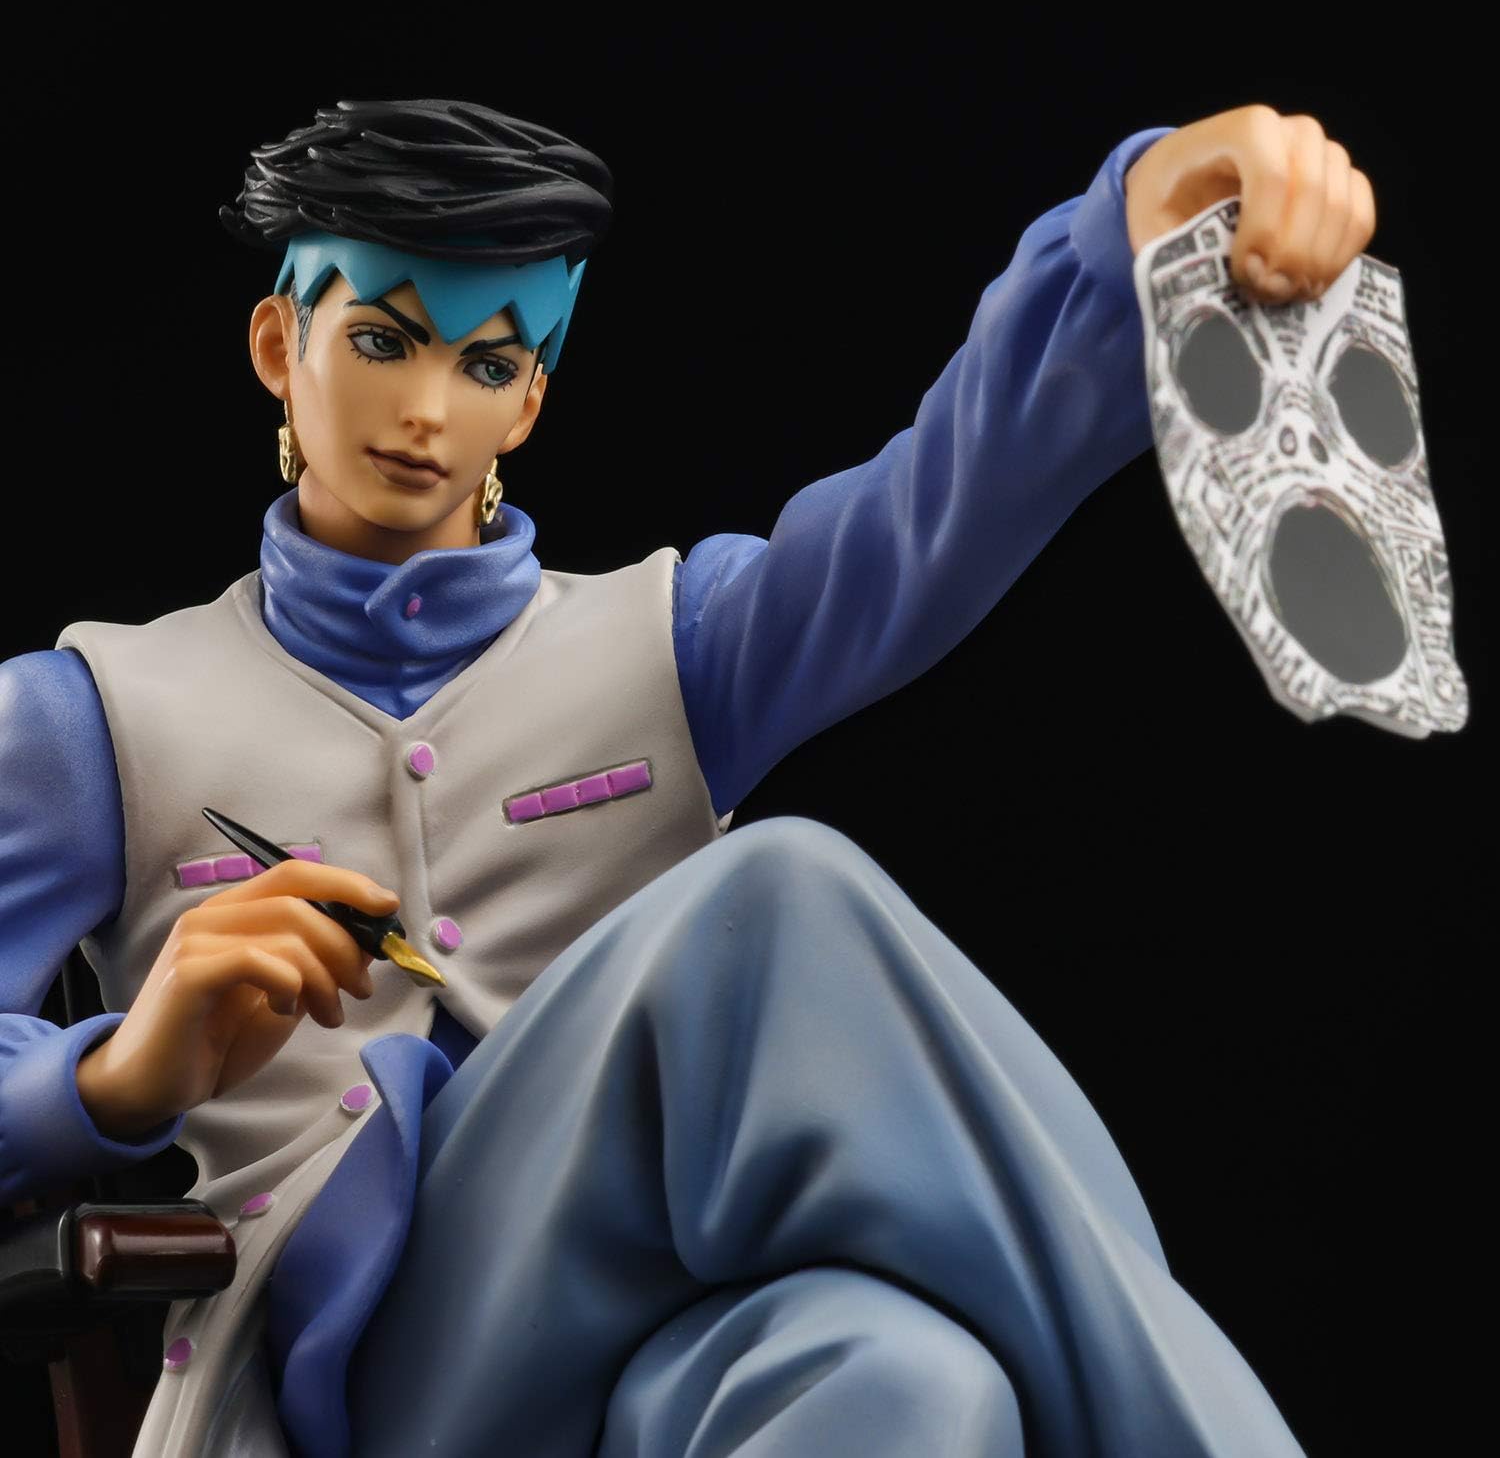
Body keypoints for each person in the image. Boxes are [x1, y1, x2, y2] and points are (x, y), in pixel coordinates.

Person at [0, 99, 1374, 1457]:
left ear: (531, 398)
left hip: (651, 1347)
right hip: (347, 1366)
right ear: (276, 344)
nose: (424, 410)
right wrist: (116, 1074)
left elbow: (939, 511)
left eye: (487, 362)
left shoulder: (676, 643)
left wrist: (1128, 236)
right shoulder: (93, 716)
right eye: (380, 340)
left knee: (906, 1378)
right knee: (775, 895)